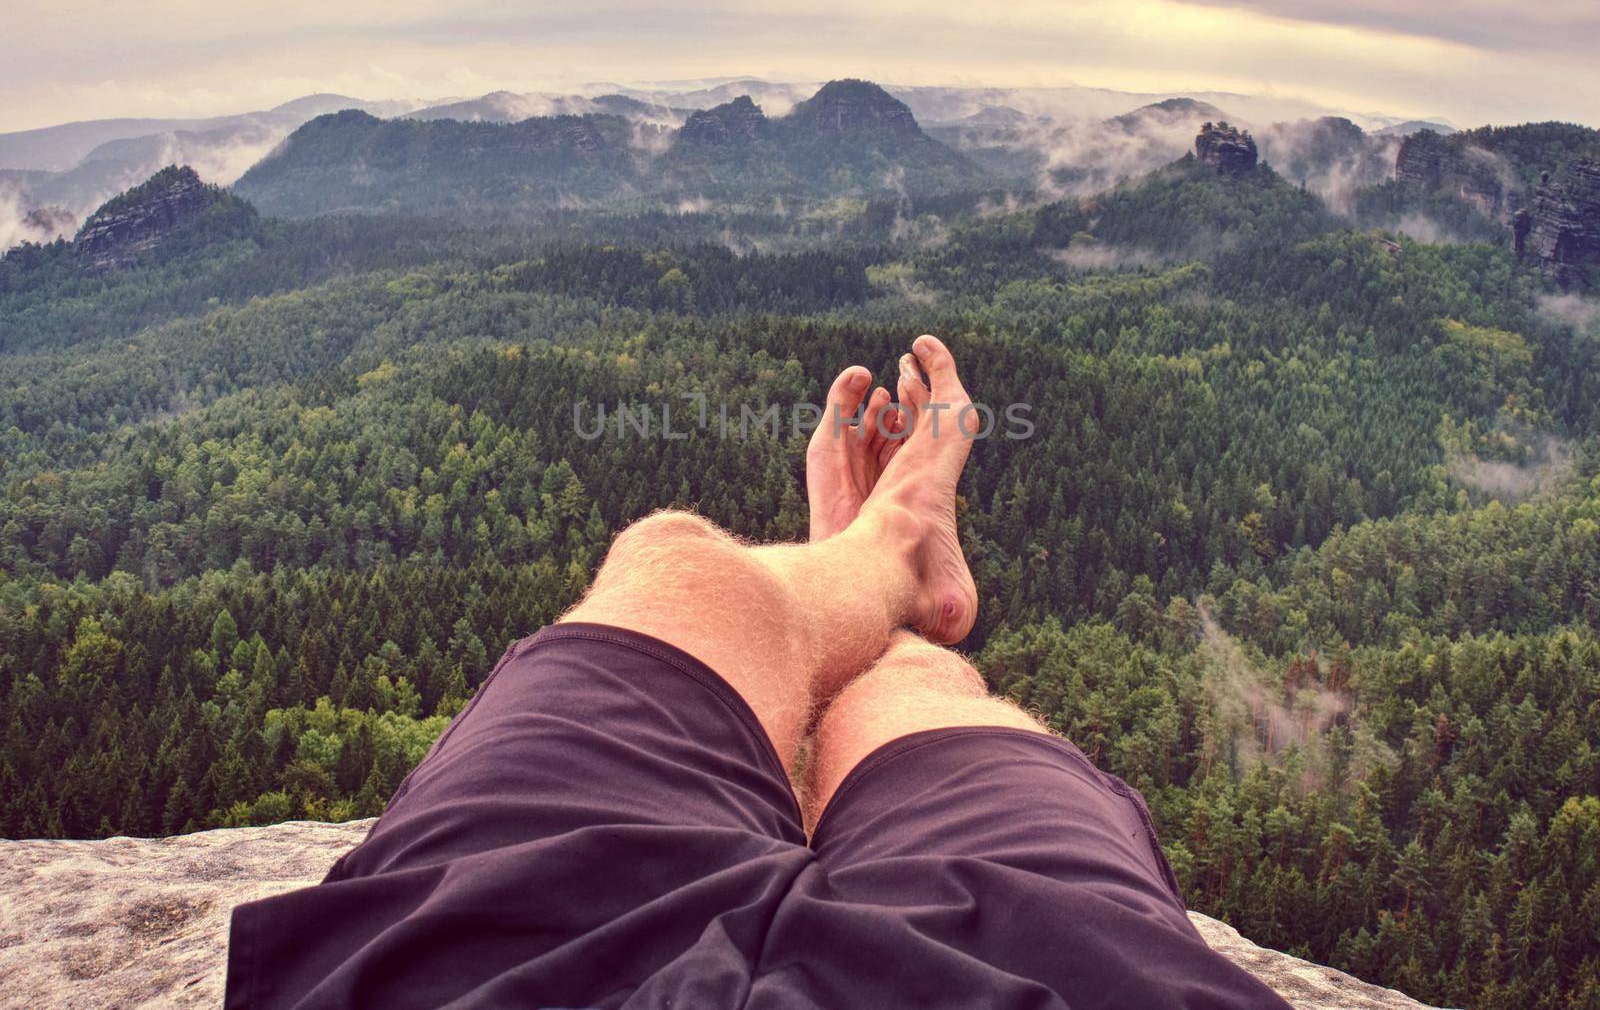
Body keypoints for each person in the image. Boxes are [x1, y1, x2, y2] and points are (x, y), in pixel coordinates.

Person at [225, 335, 1291, 1009]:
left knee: (674, 562)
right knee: (916, 702)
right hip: (1047, 979)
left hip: (489, 970)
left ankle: (866, 559)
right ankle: (891, 565)